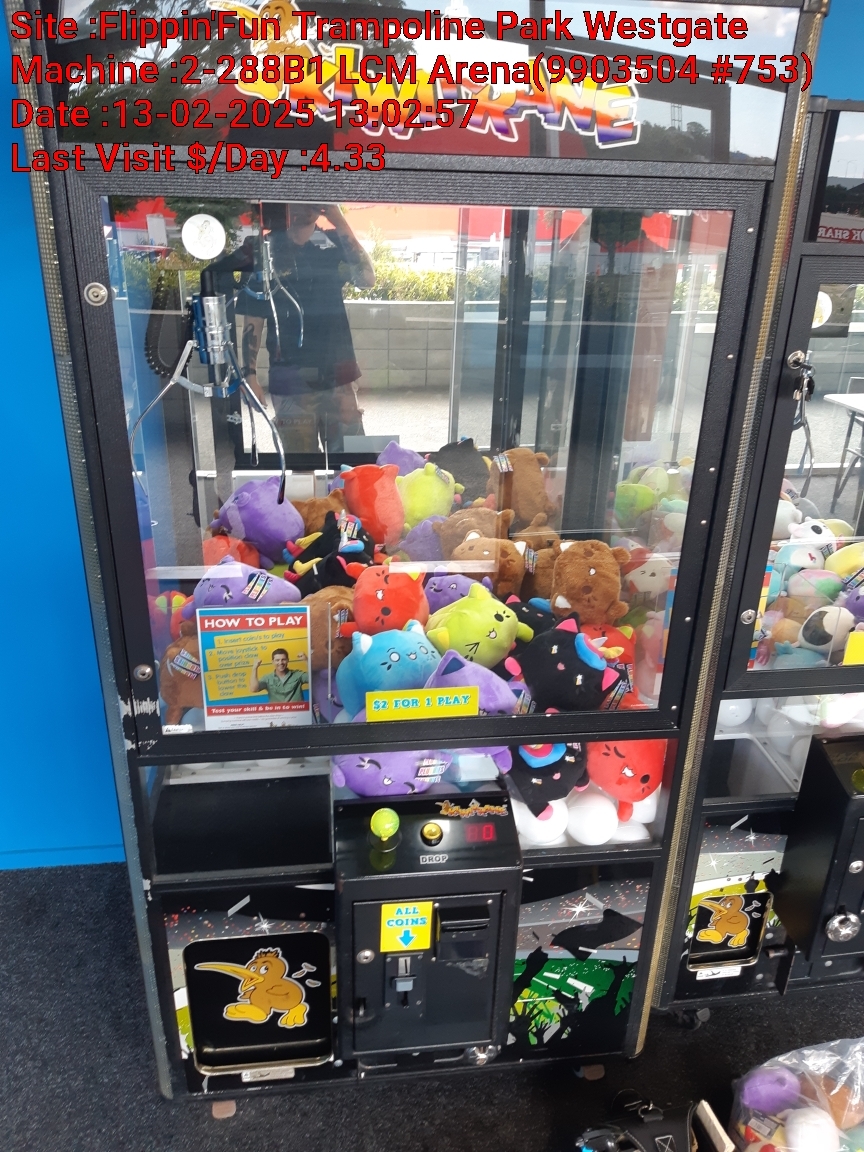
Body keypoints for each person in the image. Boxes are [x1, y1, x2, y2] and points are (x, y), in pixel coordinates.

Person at [265, 203, 375, 453]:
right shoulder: (269, 246)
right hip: (290, 371)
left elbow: (367, 279)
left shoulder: (332, 242)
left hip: (337, 366)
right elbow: (254, 310)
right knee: (298, 461)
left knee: (349, 458)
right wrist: (248, 371)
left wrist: (338, 218)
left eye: (314, 200)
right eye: (300, 199)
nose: (306, 206)